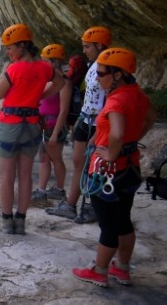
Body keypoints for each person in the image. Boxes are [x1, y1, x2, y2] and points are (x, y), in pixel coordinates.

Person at [71, 48, 156, 287]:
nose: (97, 78)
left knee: (108, 225)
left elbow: (116, 132)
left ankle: (99, 271)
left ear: (117, 74)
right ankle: (122, 268)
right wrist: (130, 141)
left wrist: (111, 151)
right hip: (130, 167)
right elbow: (150, 116)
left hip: (108, 171)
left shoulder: (117, 100)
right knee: (123, 220)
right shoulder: (136, 94)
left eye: (101, 73)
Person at [0, 24, 64, 234]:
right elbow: (60, 83)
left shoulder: (14, 69)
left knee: (7, 175)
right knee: (25, 175)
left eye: (10, 47)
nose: (8, 52)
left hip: (10, 124)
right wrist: (39, 96)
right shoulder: (45, 68)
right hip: (32, 124)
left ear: (22, 45)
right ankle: (21, 220)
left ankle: (7, 221)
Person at [47, 26, 111, 223]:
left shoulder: (109, 68)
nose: (84, 50)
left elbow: (110, 99)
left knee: (95, 167)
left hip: (97, 121)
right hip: (85, 119)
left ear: (99, 45)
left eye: (87, 46)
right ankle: (70, 205)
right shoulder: (93, 65)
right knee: (79, 163)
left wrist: (101, 128)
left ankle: (92, 206)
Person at [32, 44, 72, 201]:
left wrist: (55, 133)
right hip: (44, 125)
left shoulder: (65, 83)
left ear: (54, 62)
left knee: (56, 159)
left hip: (54, 126)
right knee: (44, 158)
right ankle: (41, 190)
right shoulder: (49, 79)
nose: (43, 64)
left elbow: (63, 110)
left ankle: (59, 189)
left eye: (45, 61)